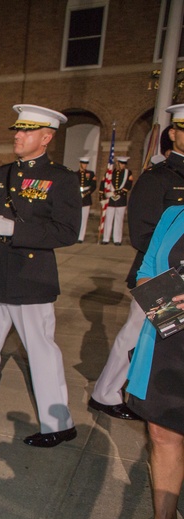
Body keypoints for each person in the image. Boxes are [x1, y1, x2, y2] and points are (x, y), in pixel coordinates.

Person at [0, 104, 80, 447]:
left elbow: (68, 231)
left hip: (31, 277)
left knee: (41, 351)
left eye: (26, 131)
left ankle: (59, 424)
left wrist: (15, 229)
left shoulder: (62, 178)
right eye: (17, 130)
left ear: (46, 137)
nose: (18, 136)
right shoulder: (2, 173)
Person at [89, 105, 184, 420]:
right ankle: (105, 394)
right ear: (173, 133)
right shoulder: (158, 178)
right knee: (136, 336)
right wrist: (165, 277)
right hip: (160, 277)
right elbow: (143, 233)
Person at [122, 205, 184, 519]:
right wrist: (172, 304)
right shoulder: (175, 214)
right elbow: (145, 274)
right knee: (162, 433)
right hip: (169, 338)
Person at [101, 156, 132, 245]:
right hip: (110, 200)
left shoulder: (128, 173)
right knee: (108, 219)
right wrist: (104, 195)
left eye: (124, 164)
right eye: (121, 163)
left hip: (121, 199)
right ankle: (106, 238)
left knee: (119, 220)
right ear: (118, 163)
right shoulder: (110, 172)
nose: (123, 166)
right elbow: (104, 184)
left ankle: (117, 239)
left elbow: (128, 185)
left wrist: (116, 193)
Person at [76, 157, 96, 243]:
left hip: (86, 198)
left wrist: (86, 193)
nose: (85, 165)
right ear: (80, 164)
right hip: (77, 198)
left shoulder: (91, 174)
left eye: (86, 164)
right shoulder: (75, 174)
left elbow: (93, 186)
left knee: (84, 218)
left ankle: (81, 237)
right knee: (77, 218)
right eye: (84, 163)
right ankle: (76, 235)